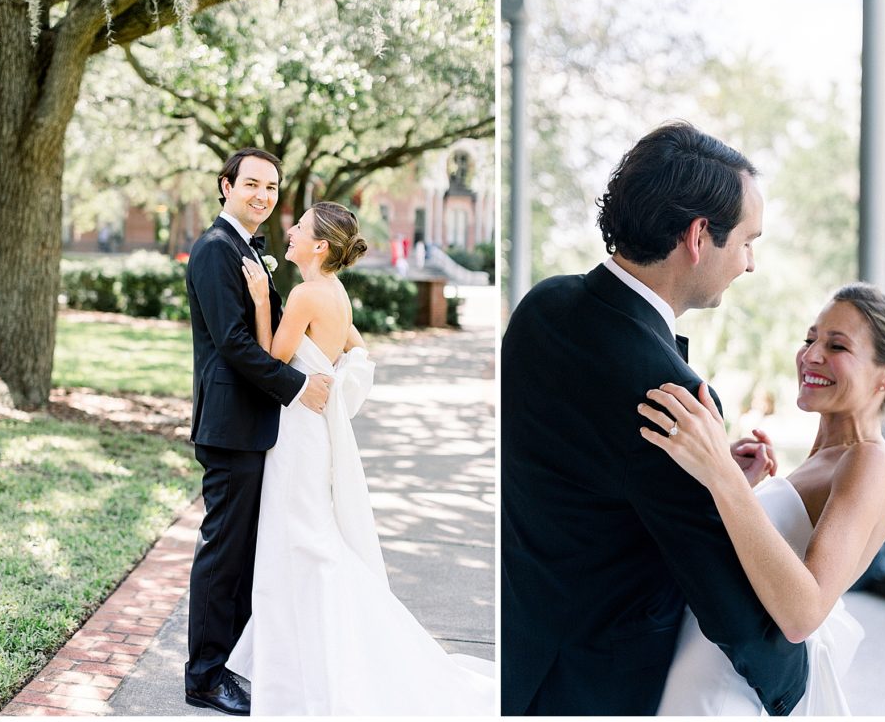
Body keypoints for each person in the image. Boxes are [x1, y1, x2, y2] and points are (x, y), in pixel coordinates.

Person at [501, 121, 808, 716]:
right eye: (748, 241)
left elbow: (582, 481)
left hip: (523, 653)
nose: (751, 264)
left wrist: (714, 483)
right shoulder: (674, 396)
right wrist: (796, 682)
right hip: (595, 687)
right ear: (699, 236)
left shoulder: (544, 304)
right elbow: (728, 603)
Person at [224, 201, 495, 715]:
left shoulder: (305, 293)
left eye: (299, 227)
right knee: (305, 537)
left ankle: (331, 653)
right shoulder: (335, 291)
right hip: (312, 428)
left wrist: (262, 300)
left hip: (301, 432)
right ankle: (305, 656)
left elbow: (268, 360)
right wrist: (326, 377)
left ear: (319, 246)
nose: (291, 230)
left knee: (304, 542)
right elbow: (358, 349)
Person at [640, 283, 885, 715]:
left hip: (723, 691)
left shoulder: (868, 462)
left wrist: (723, 477)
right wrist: (737, 487)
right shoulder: (824, 459)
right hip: (697, 667)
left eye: (836, 346)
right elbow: (753, 571)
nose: (811, 355)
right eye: (810, 338)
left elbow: (802, 614)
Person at [184, 148, 332, 715]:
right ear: (226, 187)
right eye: (251, 184)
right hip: (229, 425)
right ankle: (204, 677)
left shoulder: (247, 251)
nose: (263, 196)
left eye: (271, 187)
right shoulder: (215, 250)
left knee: (243, 553)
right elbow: (234, 345)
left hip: (254, 424)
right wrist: (297, 388)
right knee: (223, 553)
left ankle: (232, 665)